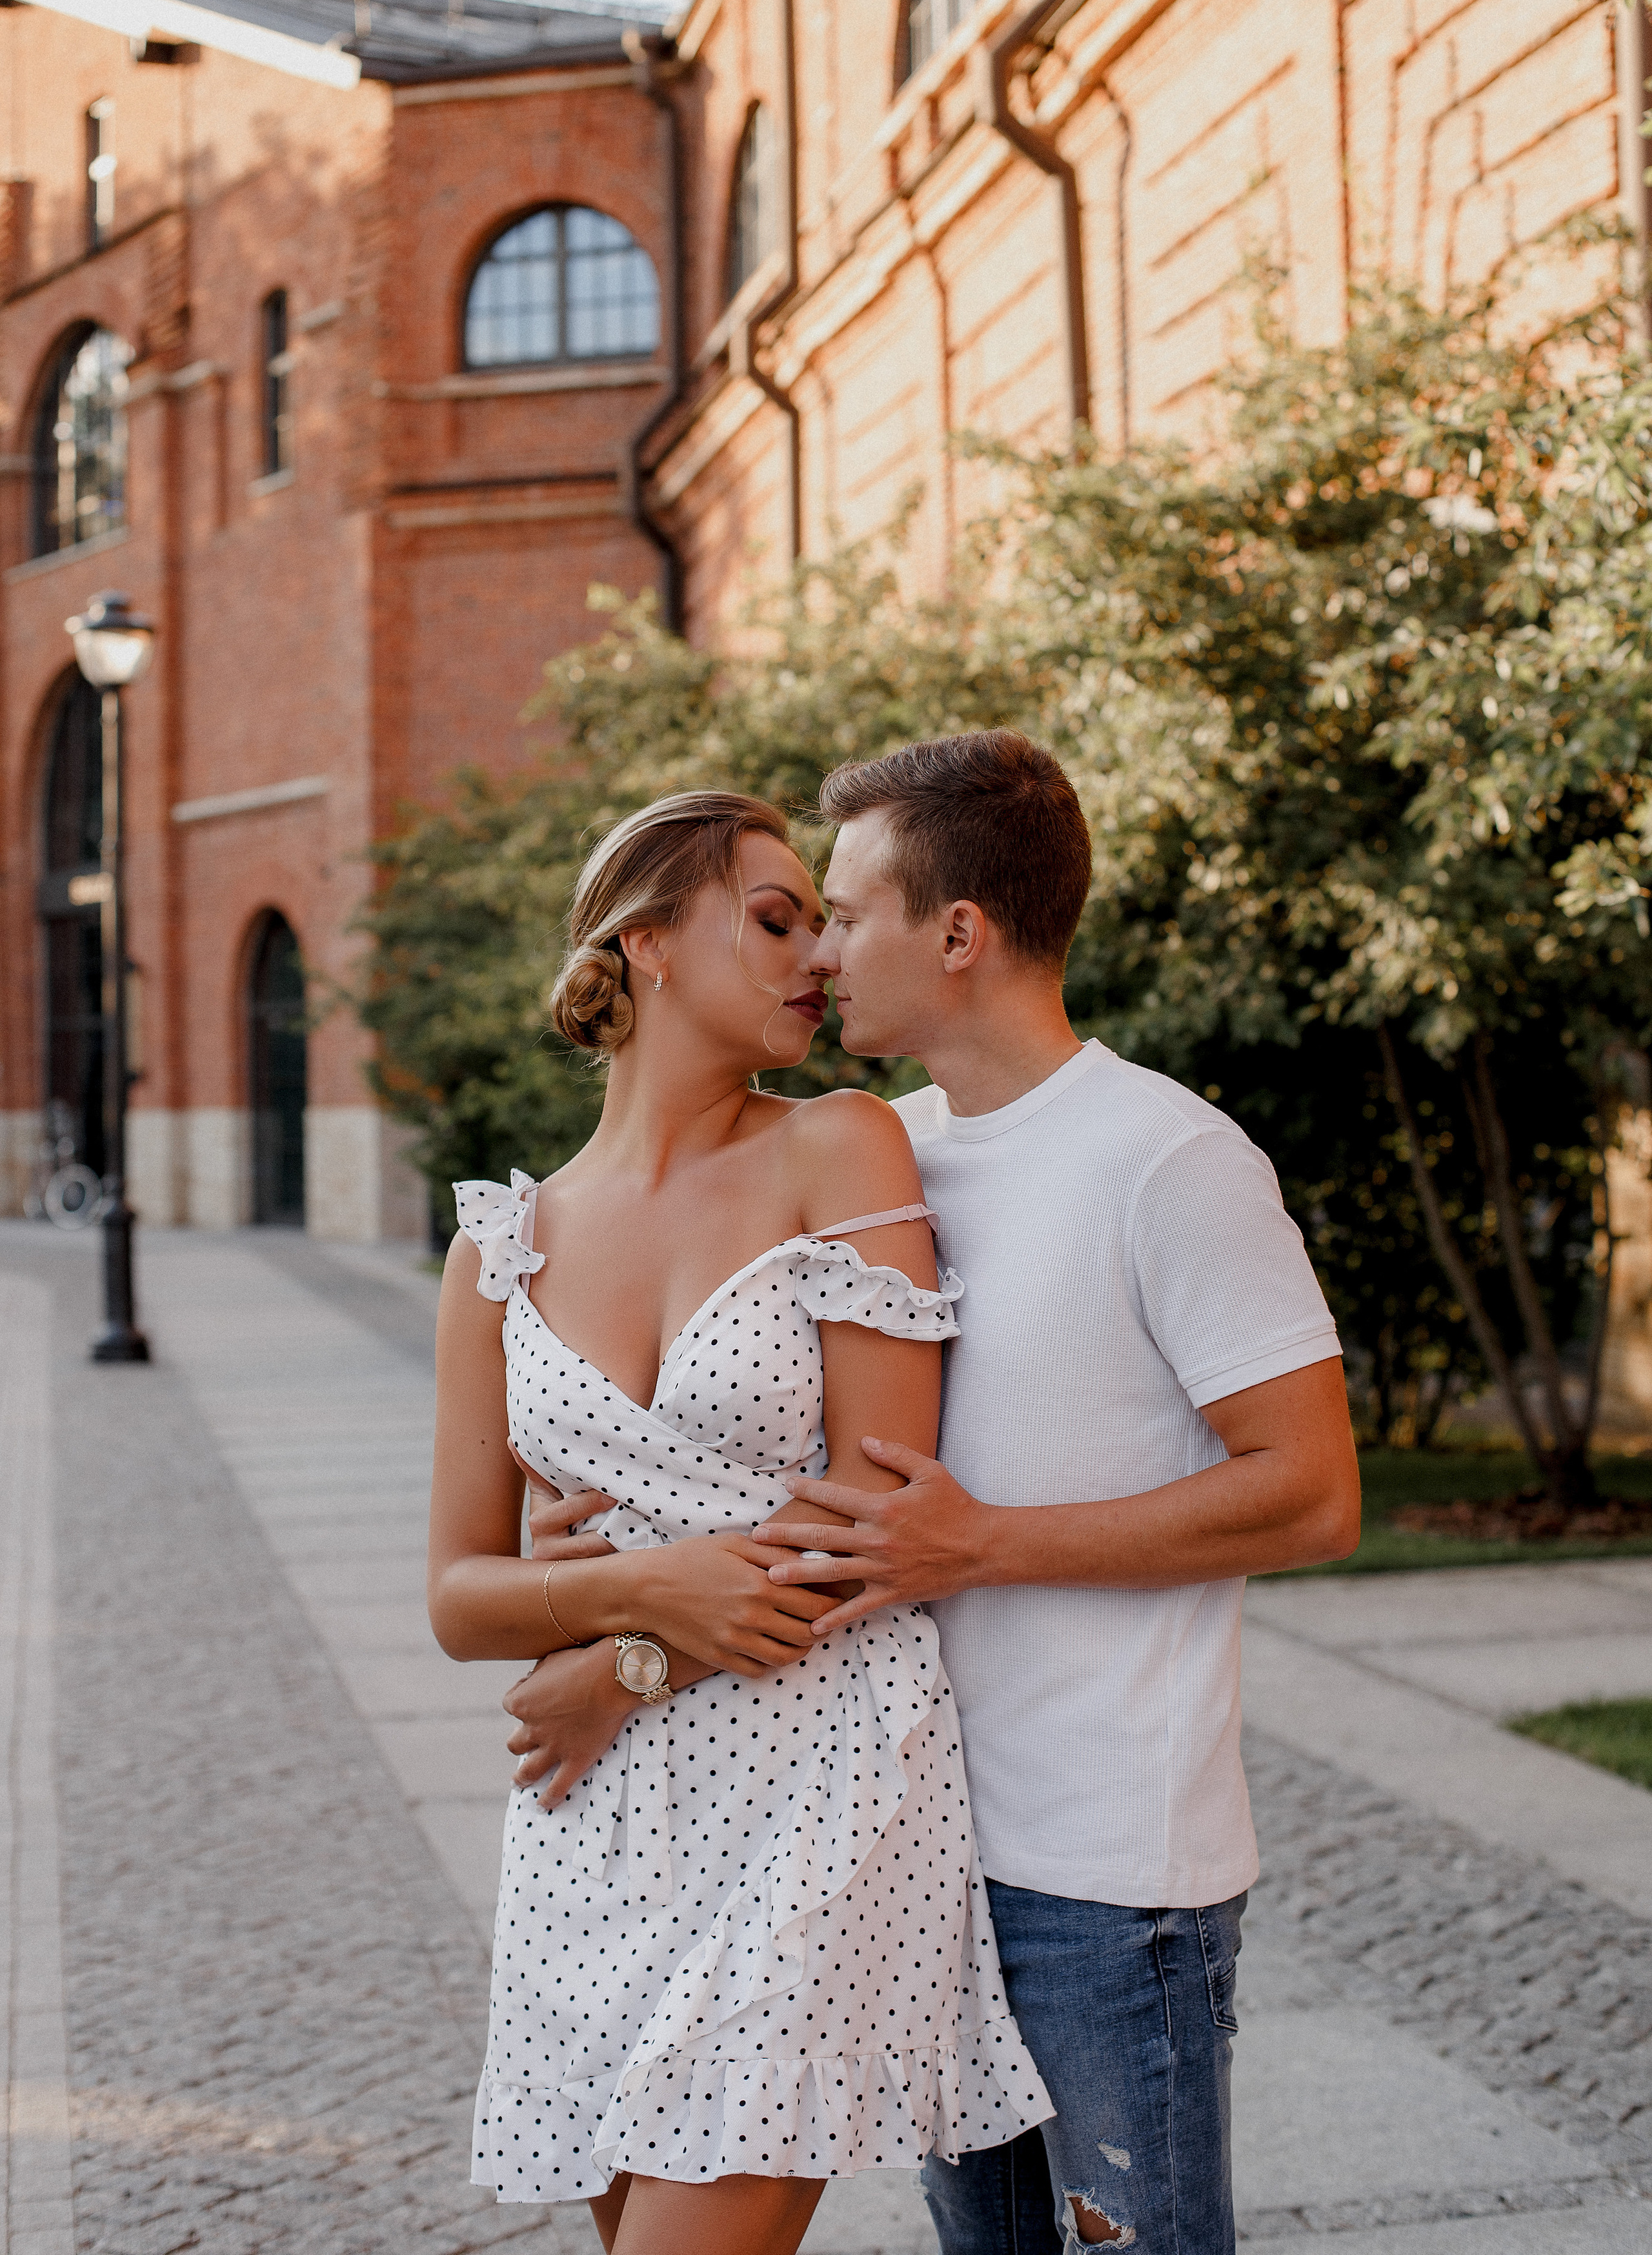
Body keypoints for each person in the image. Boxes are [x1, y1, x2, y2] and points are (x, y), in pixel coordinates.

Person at [511, 732, 1362, 2255]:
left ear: (954, 934)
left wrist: (980, 1547)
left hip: (1105, 1876)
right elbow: (790, 1491)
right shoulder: (879, 1152)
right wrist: (597, 1557)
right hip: (908, 1848)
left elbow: (1310, 1496)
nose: (823, 951)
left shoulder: (1165, 1159)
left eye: (842, 912)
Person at [427, 789, 1051, 2255]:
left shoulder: (836, 1150)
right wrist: (637, 1596)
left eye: (820, 925)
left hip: (819, 1782)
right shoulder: (497, 1250)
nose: (814, 959)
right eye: (774, 921)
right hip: (598, 1828)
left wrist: (622, 1654)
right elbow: (458, 1599)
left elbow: (882, 1516)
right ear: (645, 945)